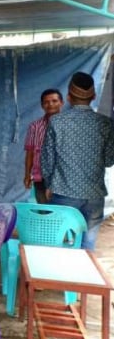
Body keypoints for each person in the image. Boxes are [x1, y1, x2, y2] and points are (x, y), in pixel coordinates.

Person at [41, 72, 114, 250]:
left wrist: (48, 184)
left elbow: (47, 160)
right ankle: (83, 277)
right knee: (88, 245)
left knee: (63, 244)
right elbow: (109, 161)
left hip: (64, 193)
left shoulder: (57, 122)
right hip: (94, 196)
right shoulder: (106, 124)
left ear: (68, 97)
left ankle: (62, 277)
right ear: (93, 97)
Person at [23, 88, 63, 203]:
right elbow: (30, 152)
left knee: (61, 212)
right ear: (42, 105)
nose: (50, 104)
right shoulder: (35, 127)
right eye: (46, 102)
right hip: (40, 177)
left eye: (54, 101)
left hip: (64, 178)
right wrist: (27, 175)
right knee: (44, 211)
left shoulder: (70, 126)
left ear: (61, 103)